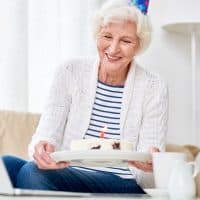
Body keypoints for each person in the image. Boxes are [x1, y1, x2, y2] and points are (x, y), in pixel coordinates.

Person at [3, 0, 168, 193]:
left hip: (121, 181)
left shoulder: (154, 86)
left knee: (31, 173)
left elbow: (150, 156)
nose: (113, 49)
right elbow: (47, 133)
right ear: (96, 34)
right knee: (6, 166)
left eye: (125, 41)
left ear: (139, 45)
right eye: (107, 36)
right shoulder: (69, 71)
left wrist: (151, 163)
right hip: (69, 172)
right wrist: (42, 148)